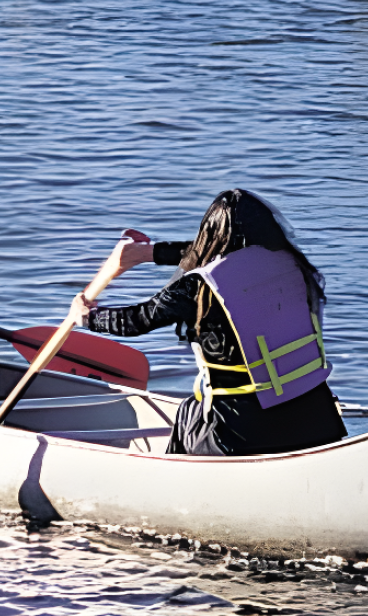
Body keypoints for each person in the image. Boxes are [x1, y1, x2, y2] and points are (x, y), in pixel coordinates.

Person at [77, 189, 345, 457]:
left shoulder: (200, 287)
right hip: (317, 419)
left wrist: (88, 317)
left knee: (189, 411)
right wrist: (149, 253)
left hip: (239, 432)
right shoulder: (295, 266)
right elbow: (209, 250)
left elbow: (137, 321)